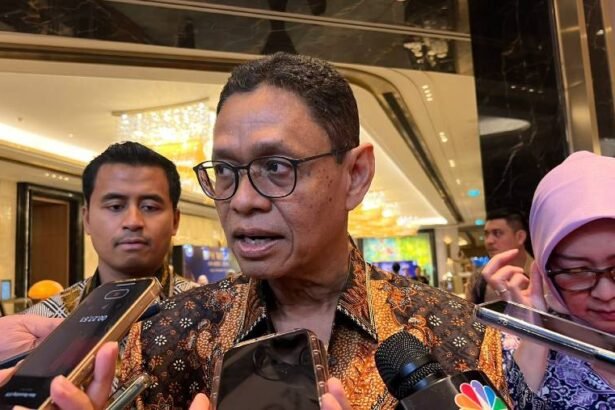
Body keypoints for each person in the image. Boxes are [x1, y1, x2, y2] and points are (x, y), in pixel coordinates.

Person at [2, 53, 507, 409]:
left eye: (276, 167)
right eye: (225, 171)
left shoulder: (457, 334)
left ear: (355, 175)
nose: (242, 199)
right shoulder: (163, 339)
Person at [483, 151, 615, 409]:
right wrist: (533, 342)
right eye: (577, 271)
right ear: (545, 271)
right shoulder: (509, 349)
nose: (606, 293)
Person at [22, 142, 198, 319]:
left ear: (175, 221)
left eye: (149, 207)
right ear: (87, 219)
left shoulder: (209, 312)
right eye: (115, 206)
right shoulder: (38, 323)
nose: (133, 222)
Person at [466, 208, 533, 303]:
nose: (489, 241)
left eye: (497, 233)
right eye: (486, 234)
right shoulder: (478, 279)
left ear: (520, 237)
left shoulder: (544, 274)